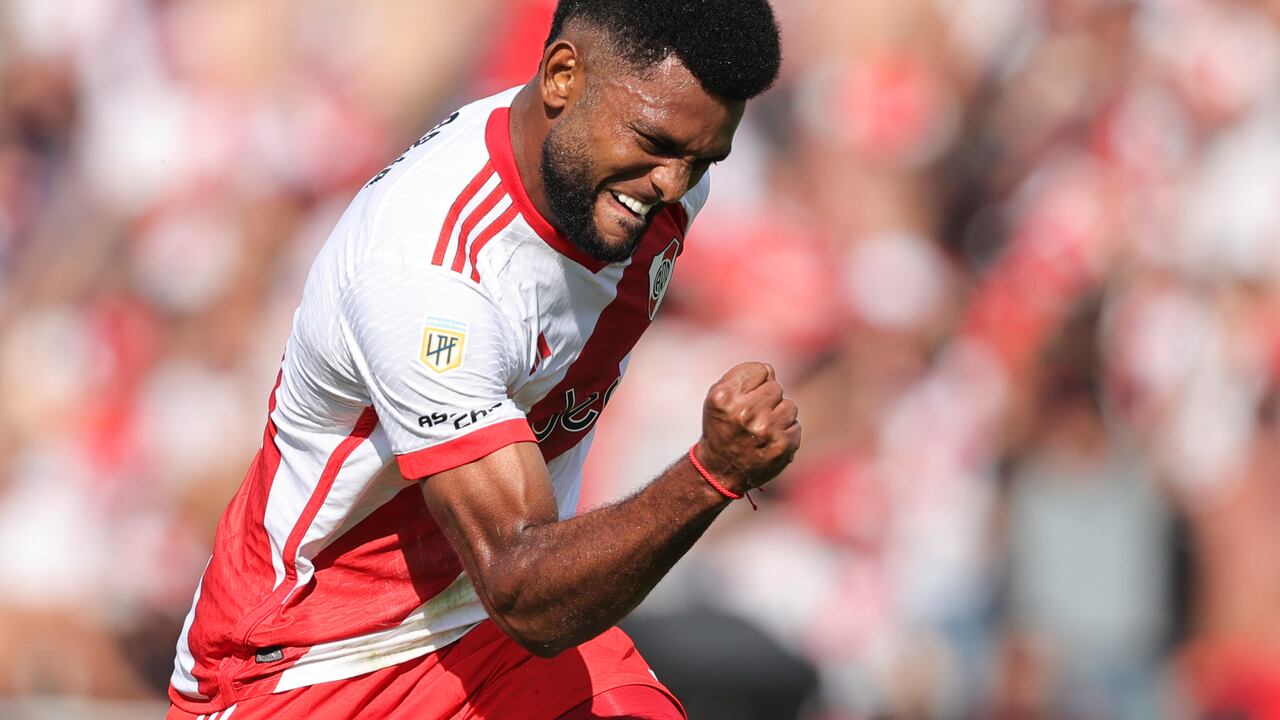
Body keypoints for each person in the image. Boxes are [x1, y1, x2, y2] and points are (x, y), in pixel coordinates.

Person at [167, 1, 795, 717]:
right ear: (562, 74)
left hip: (492, 634)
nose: (673, 186)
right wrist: (710, 473)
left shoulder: (649, 177)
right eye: (655, 143)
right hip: (316, 661)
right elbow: (524, 585)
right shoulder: (429, 272)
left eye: (702, 160)